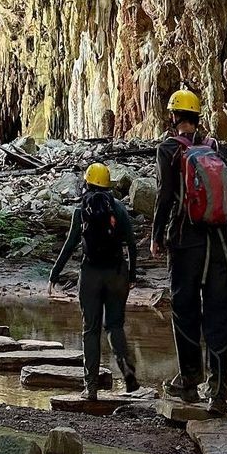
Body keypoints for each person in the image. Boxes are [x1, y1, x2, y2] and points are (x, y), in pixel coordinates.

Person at [151, 88, 227, 416]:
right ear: (197, 117)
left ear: (174, 117)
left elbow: (164, 196)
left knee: (185, 310)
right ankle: (219, 391)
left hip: (187, 241)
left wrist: (157, 235)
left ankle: (189, 379)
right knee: (218, 312)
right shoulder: (215, 148)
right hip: (219, 243)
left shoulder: (169, 149)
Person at [48, 162, 139, 400]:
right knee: (115, 326)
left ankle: (90, 388)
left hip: (90, 275)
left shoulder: (81, 211)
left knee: (90, 330)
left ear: (86, 182)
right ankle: (128, 372)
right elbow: (131, 244)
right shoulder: (118, 209)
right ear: (108, 185)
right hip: (117, 273)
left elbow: (70, 245)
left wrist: (54, 274)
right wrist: (132, 275)